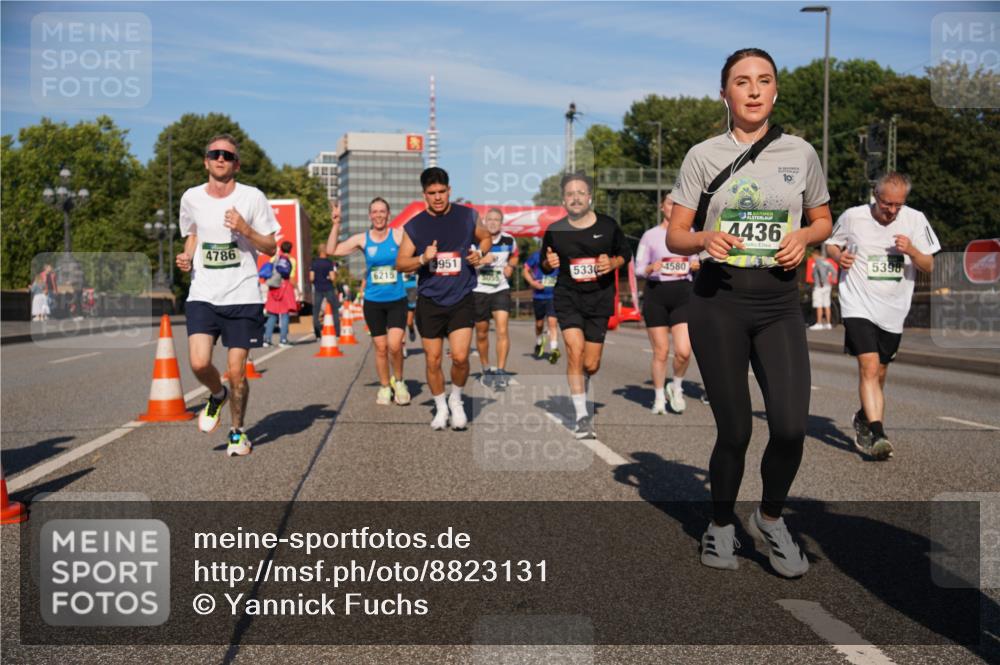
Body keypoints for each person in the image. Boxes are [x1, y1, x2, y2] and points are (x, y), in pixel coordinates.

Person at [666, 48, 832, 577]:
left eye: (764, 81)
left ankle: (770, 517)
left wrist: (805, 236)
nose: (754, 90)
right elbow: (676, 234)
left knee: (789, 427)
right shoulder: (702, 155)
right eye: (742, 82)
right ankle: (719, 526)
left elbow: (823, 219)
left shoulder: (801, 153)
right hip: (718, 303)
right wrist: (703, 239)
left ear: (776, 91)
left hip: (779, 303)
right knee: (735, 430)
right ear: (725, 93)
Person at [176, 133, 279, 457]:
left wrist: (246, 229)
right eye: (215, 154)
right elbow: (193, 233)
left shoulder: (252, 197)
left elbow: (271, 246)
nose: (221, 159)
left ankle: (237, 431)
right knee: (198, 362)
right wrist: (187, 255)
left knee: (237, 372)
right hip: (204, 293)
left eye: (228, 155)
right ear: (206, 160)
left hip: (243, 294)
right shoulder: (191, 198)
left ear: (237, 164)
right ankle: (216, 394)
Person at [826, 172, 939, 460]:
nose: (892, 211)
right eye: (887, 204)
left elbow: (929, 265)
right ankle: (877, 433)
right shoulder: (853, 216)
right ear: (875, 197)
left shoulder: (915, 219)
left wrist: (911, 249)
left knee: (880, 372)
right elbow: (830, 243)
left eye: (898, 205)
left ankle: (864, 416)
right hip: (857, 303)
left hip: (893, 309)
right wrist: (839, 257)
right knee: (870, 366)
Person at [395, 167, 492, 430]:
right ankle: (440, 406)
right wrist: (423, 258)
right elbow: (401, 264)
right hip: (430, 300)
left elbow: (485, 238)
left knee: (460, 357)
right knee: (433, 359)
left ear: (450, 190)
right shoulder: (415, 225)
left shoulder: (468, 216)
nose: (437, 197)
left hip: (461, 297)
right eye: (431, 193)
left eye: (441, 192)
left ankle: (456, 399)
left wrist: (479, 254)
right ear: (424, 195)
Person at [540, 172, 632, 440]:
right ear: (563, 200)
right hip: (568, 297)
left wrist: (612, 263)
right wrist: (550, 264)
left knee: (591, 364)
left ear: (590, 196)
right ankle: (581, 416)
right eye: (570, 194)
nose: (576, 198)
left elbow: (625, 254)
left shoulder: (608, 225)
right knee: (574, 351)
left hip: (599, 298)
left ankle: (584, 380)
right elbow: (546, 261)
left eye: (581, 193)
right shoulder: (555, 230)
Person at [326, 196, 411, 406]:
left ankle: (399, 381)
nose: (379, 215)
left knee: (395, 345)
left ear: (388, 215)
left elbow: (418, 253)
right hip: (373, 302)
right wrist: (336, 224)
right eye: (375, 212)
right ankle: (384, 386)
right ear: (370, 215)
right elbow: (332, 250)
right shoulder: (363, 239)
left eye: (383, 211)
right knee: (380, 347)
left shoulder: (399, 236)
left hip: (397, 299)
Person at [636, 194, 699, 415]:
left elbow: (697, 260)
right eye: (671, 203)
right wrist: (650, 268)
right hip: (657, 295)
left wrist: (694, 264)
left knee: (683, 351)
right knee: (661, 352)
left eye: (679, 204)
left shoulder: (690, 233)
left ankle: (677, 386)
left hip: (683, 294)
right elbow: (638, 268)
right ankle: (659, 398)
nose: (674, 208)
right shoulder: (650, 236)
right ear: (662, 207)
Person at [473, 207, 519, 389]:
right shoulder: (475, 239)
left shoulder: (509, 239)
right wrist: (481, 260)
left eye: (496, 220)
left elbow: (515, 256)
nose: (492, 222)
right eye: (489, 219)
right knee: (482, 332)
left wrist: (511, 266)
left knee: (502, 330)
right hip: (478, 290)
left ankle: (500, 370)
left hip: (500, 288)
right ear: (484, 221)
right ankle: (486, 368)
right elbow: (465, 260)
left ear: (501, 223)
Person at [522, 248, 560, 363]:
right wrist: (532, 283)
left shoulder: (559, 256)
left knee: (552, 322)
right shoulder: (536, 255)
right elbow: (525, 270)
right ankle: (539, 342)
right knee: (539, 324)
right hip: (539, 296)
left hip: (553, 296)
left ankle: (554, 349)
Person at [263, 241, 297, 348]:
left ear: (281, 249)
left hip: (273, 288)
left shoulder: (274, 259)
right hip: (285, 288)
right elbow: (291, 278)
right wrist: (297, 289)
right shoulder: (291, 261)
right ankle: (283, 339)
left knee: (272, 314)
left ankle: (267, 339)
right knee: (284, 314)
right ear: (291, 249)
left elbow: (269, 273)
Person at [310, 225, 340, 340]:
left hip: (318, 288)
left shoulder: (314, 263)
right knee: (334, 310)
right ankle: (337, 332)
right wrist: (332, 276)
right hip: (328, 288)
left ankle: (317, 333)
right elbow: (332, 278)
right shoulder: (329, 263)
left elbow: (311, 278)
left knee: (316, 311)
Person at [809, 247, 836, 330]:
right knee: (827, 304)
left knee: (819, 305)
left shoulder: (818, 261)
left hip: (819, 286)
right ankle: (828, 323)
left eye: (813, 255)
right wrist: (831, 280)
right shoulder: (826, 262)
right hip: (828, 286)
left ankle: (819, 323)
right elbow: (834, 271)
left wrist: (821, 281)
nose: (812, 256)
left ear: (815, 254)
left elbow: (820, 271)